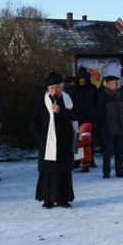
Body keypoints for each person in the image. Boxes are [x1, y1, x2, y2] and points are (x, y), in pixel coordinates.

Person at [29, 72, 77, 209]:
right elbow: (33, 122)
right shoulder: (41, 102)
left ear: (62, 87)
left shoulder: (69, 100)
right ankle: (47, 199)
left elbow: (76, 115)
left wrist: (61, 111)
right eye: (51, 88)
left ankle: (63, 199)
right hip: (47, 143)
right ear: (48, 89)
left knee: (64, 171)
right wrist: (40, 138)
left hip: (64, 142)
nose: (54, 91)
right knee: (48, 172)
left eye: (57, 87)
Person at [96, 75, 123, 178]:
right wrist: (102, 128)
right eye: (115, 82)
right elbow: (99, 114)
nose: (117, 84)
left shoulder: (119, 95)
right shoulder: (102, 96)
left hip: (119, 129)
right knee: (107, 152)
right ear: (109, 84)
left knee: (120, 152)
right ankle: (106, 172)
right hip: (108, 130)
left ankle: (119, 171)